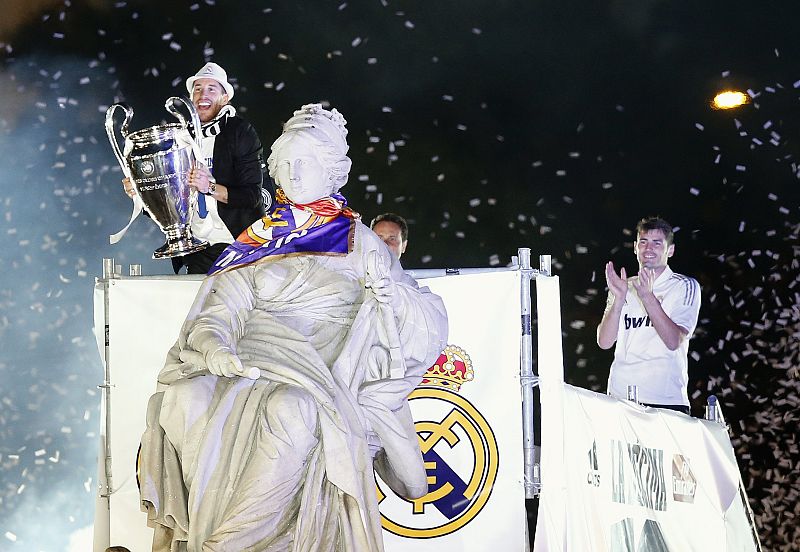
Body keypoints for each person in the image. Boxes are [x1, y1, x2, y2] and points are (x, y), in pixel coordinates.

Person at [138, 104, 448, 551]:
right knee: (185, 397)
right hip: (251, 357)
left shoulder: (360, 242)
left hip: (322, 368)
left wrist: (390, 295)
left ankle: (230, 542)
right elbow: (218, 310)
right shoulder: (258, 238)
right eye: (284, 163)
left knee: (292, 407)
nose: (293, 172)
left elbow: (421, 320)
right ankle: (203, 530)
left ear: (333, 171)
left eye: (305, 161)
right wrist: (214, 345)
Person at [122, 61, 274, 274]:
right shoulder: (179, 139)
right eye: (198, 89)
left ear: (224, 98)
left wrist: (210, 187)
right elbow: (170, 206)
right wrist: (142, 194)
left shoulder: (240, 132)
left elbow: (252, 197)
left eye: (212, 89)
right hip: (198, 249)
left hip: (239, 246)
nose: (203, 95)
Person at [596, 216, 701, 414]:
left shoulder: (684, 286)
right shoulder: (623, 286)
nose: (648, 248)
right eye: (643, 242)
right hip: (621, 398)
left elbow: (673, 340)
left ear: (670, 250)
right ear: (635, 247)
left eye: (657, 243)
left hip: (665, 401)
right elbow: (604, 341)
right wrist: (619, 299)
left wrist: (647, 296)